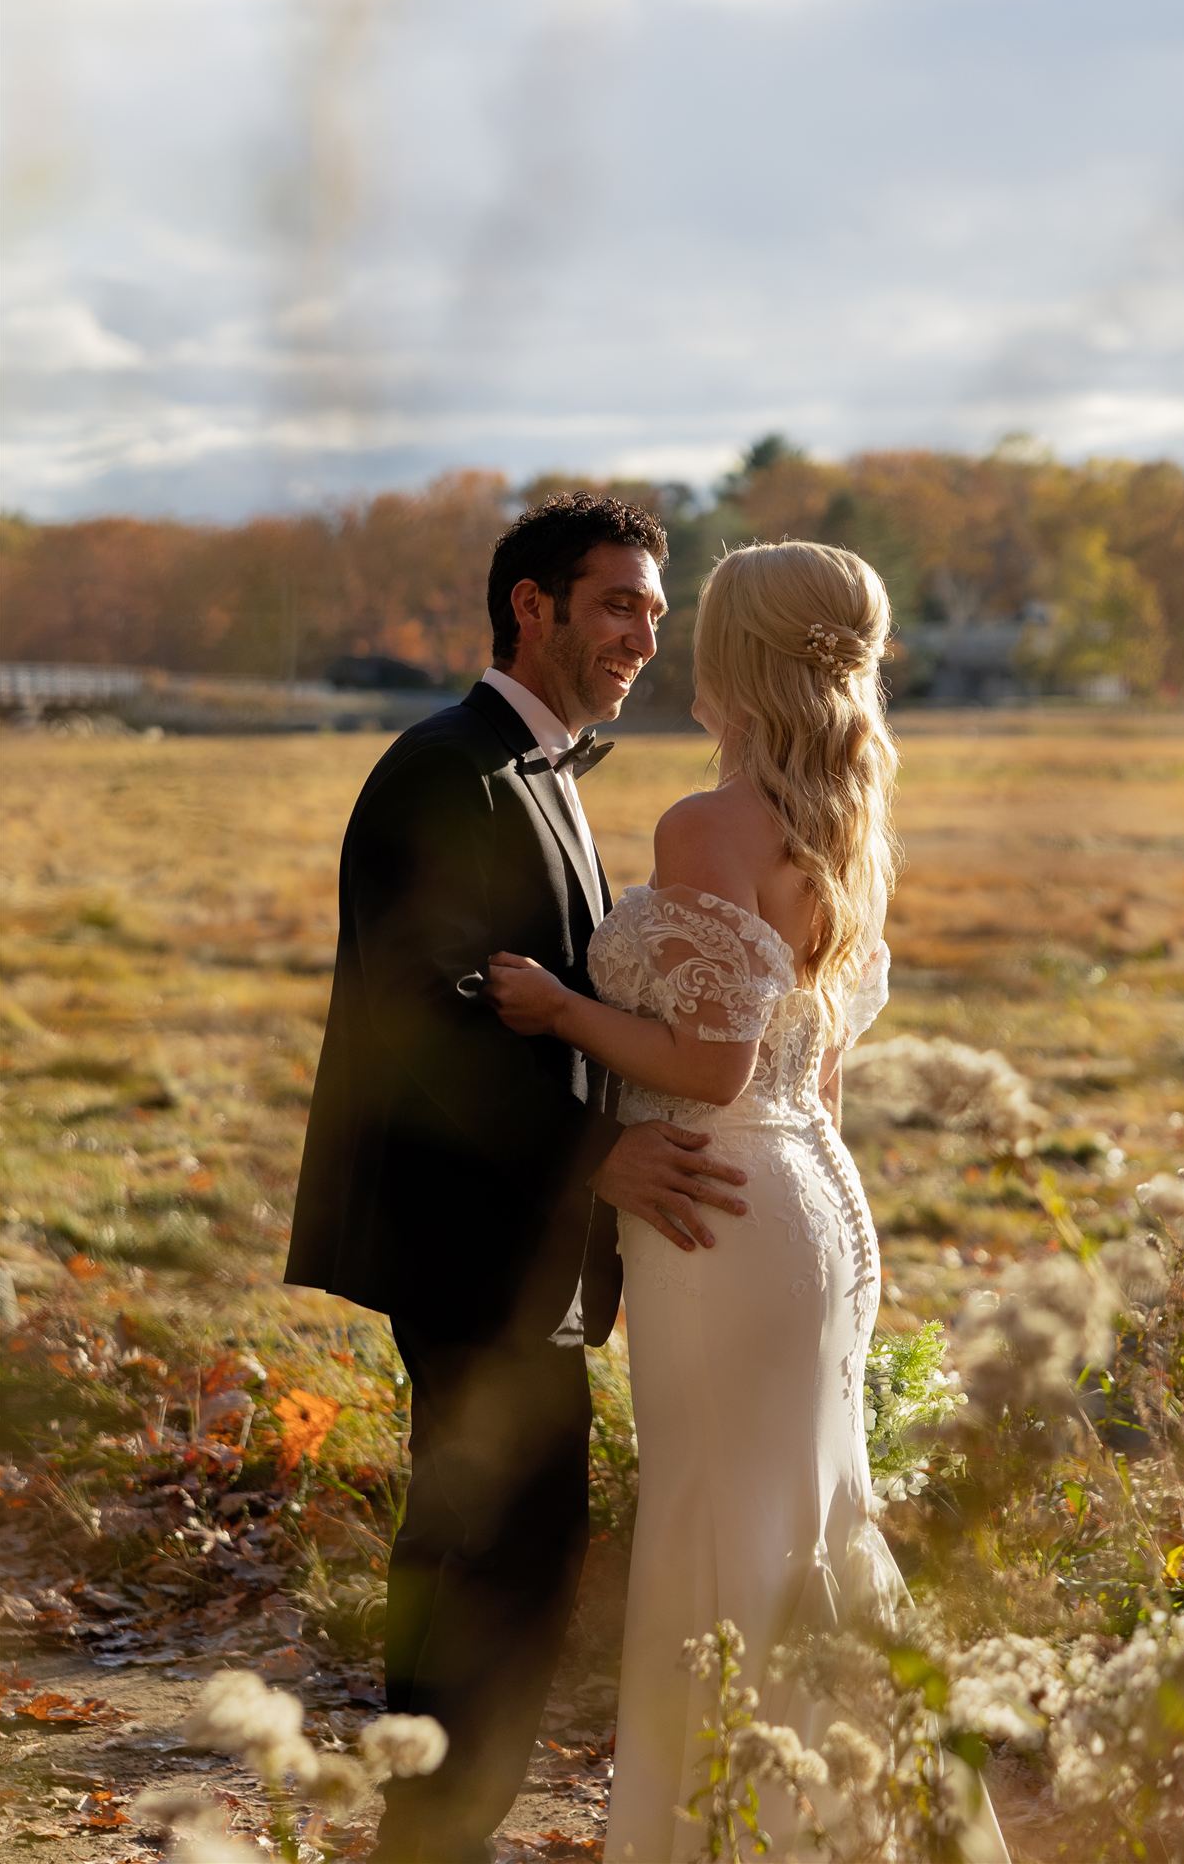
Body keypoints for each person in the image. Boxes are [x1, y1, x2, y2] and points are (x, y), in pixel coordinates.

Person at [486, 540, 1011, 1863]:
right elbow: (813, 1072)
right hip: (813, 1200)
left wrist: (561, 1010)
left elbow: (710, 1064)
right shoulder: (842, 826)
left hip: (719, 1203)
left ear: (732, 658)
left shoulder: (706, 826)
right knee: (810, 1520)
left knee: (718, 1527)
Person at [283, 493, 752, 1864]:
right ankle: (432, 1831)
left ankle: (437, 1826)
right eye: (616, 604)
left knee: (504, 1540)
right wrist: (598, 1154)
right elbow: (416, 1020)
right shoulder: (448, 770)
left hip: (515, 1234)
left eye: (655, 614)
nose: (640, 636)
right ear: (530, 606)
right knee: (497, 1544)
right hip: (460, 1229)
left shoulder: (533, 769)